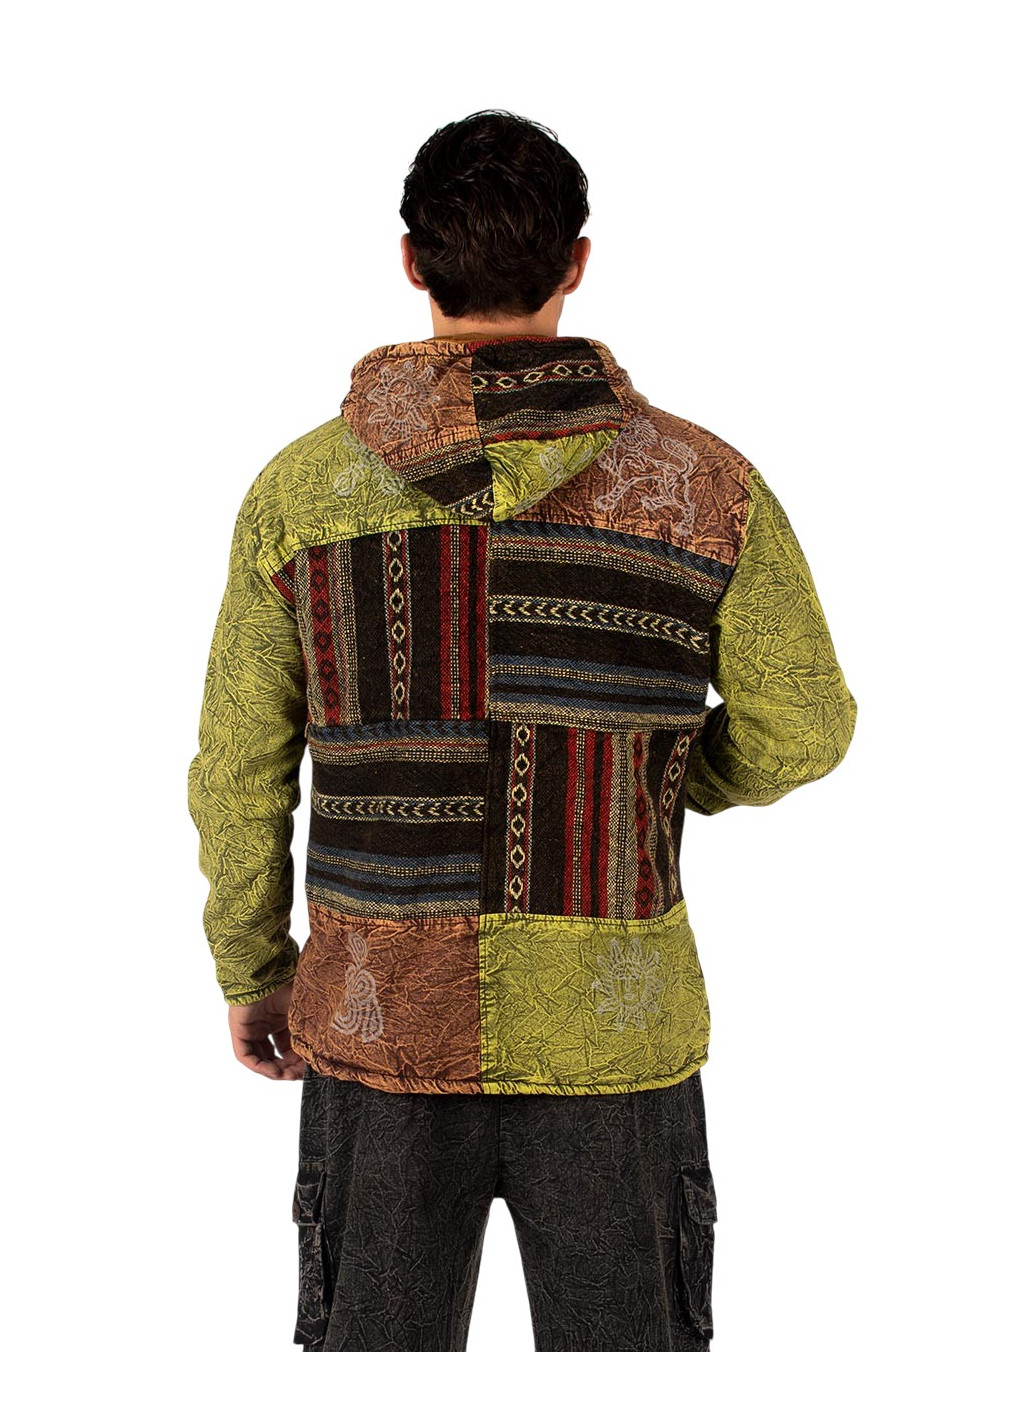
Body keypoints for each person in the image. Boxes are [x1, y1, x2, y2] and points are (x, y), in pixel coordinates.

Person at [187, 108, 857, 1352]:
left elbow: (239, 766)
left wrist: (249, 963)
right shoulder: (703, 487)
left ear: (410, 261)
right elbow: (805, 724)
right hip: (613, 1029)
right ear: (576, 262)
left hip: (380, 1019)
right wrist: (657, 778)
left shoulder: (300, 494)